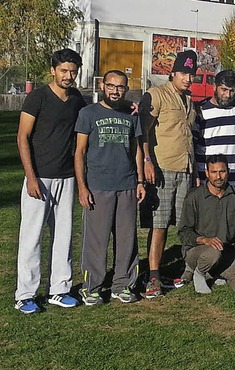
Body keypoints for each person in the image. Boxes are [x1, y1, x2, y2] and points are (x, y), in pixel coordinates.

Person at [14, 49, 85, 314]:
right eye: (64, 71)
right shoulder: (38, 97)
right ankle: (25, 294)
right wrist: (31, 177)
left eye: (73, 71)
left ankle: (59, 289)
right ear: (53, 70)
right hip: (39, 177)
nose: (69, 76)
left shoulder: (77, 98)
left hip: (66, 176)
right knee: (31, 238)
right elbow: (22, 138)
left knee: (64, 236)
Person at [74, 70, 146, 305]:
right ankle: (92, 287)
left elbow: (136, 148)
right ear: (103, 86)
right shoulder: (88, 113)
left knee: (127, 239)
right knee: (97, 239)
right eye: (111, 86)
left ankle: (122, 284)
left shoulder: (131, 115)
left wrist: (140, 180)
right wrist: (82, 187)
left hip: (126, 184)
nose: (116, 91)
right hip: (98, 186)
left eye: (121, 87)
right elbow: (80, 152)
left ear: (126, 89)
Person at [139, 50, 198, 298]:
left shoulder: (189, 101)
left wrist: (193, 169)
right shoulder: (157, 95)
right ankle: (152, 275)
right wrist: (147, 162)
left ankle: (185, 270)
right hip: (162, 168)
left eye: (191, 74)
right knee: (159, 223)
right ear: (172, 72)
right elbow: (143, 132)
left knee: (183, 224)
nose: (187, 79)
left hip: (185, 169)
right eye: (183, 73)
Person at [177, 154, 235, 294]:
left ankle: (215, 272)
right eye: (213, 172)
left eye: (222, 171)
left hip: (226, 252)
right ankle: (198, 272)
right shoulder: (194, 197)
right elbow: (184, 232)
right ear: (207, 173)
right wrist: (204, 240)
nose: (218, 177)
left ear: (228, 172)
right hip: (198, 250)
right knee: (213, 251)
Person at [193, 70, 235, 186]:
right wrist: (195, 174)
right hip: (205, 175)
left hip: (230, 175)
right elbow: (193, 145)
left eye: (231, 91)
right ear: (215, 87)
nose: (227, 95)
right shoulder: (201, 111)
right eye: (224, 90)